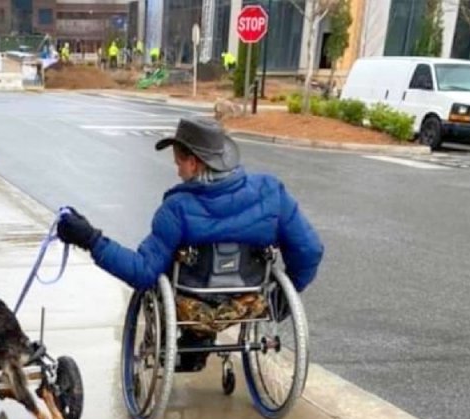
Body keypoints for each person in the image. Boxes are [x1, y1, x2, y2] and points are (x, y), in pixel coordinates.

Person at [56, 118, 324, 369]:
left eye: (179, 163)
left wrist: (91, 239)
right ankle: (200, 344)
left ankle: (195, 346)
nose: (177, 170)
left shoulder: (176, 208)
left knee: (165, 282)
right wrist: (279, 302)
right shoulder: (271, 191)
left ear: (194, 164)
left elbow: (143, 273)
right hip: (252, 302)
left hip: (194, 310)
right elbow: (310, 250)